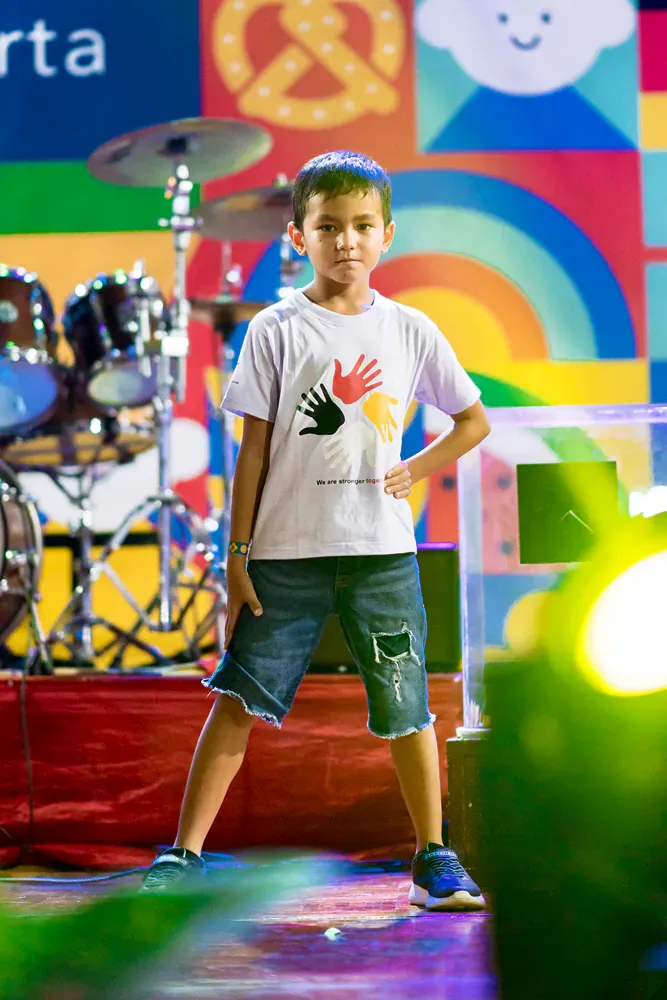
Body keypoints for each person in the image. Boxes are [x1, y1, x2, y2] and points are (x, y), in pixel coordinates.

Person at [142, 150, 490, 911]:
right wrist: (237, 557)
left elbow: (472, 420)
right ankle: (184, 855)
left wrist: (416, 467)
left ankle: (434, 857)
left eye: (362, 226)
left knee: (408, 709)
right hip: (286, 556)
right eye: (327, 226)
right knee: (237, 698)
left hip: (380, 556)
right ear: (297, 235)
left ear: (387, 234)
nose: (346, 242)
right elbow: (253, 451)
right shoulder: (275, 328)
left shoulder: (410, 329)